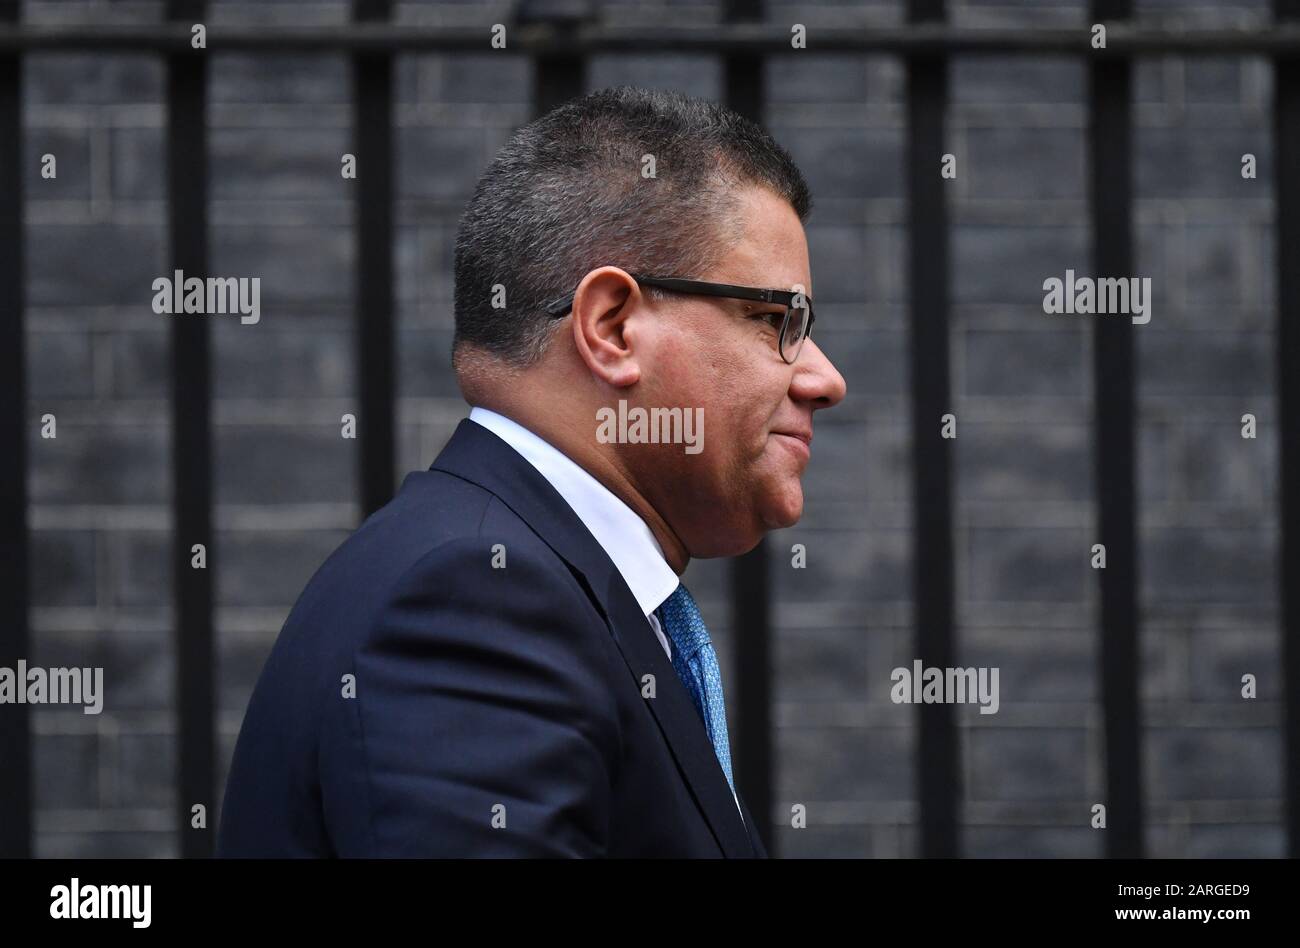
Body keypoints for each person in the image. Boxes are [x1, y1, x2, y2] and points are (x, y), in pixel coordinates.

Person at [217, 86, 846, 857]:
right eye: (777, 320)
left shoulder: (519, 575)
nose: (826, 379)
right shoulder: (478, 599)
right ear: (613, 327)